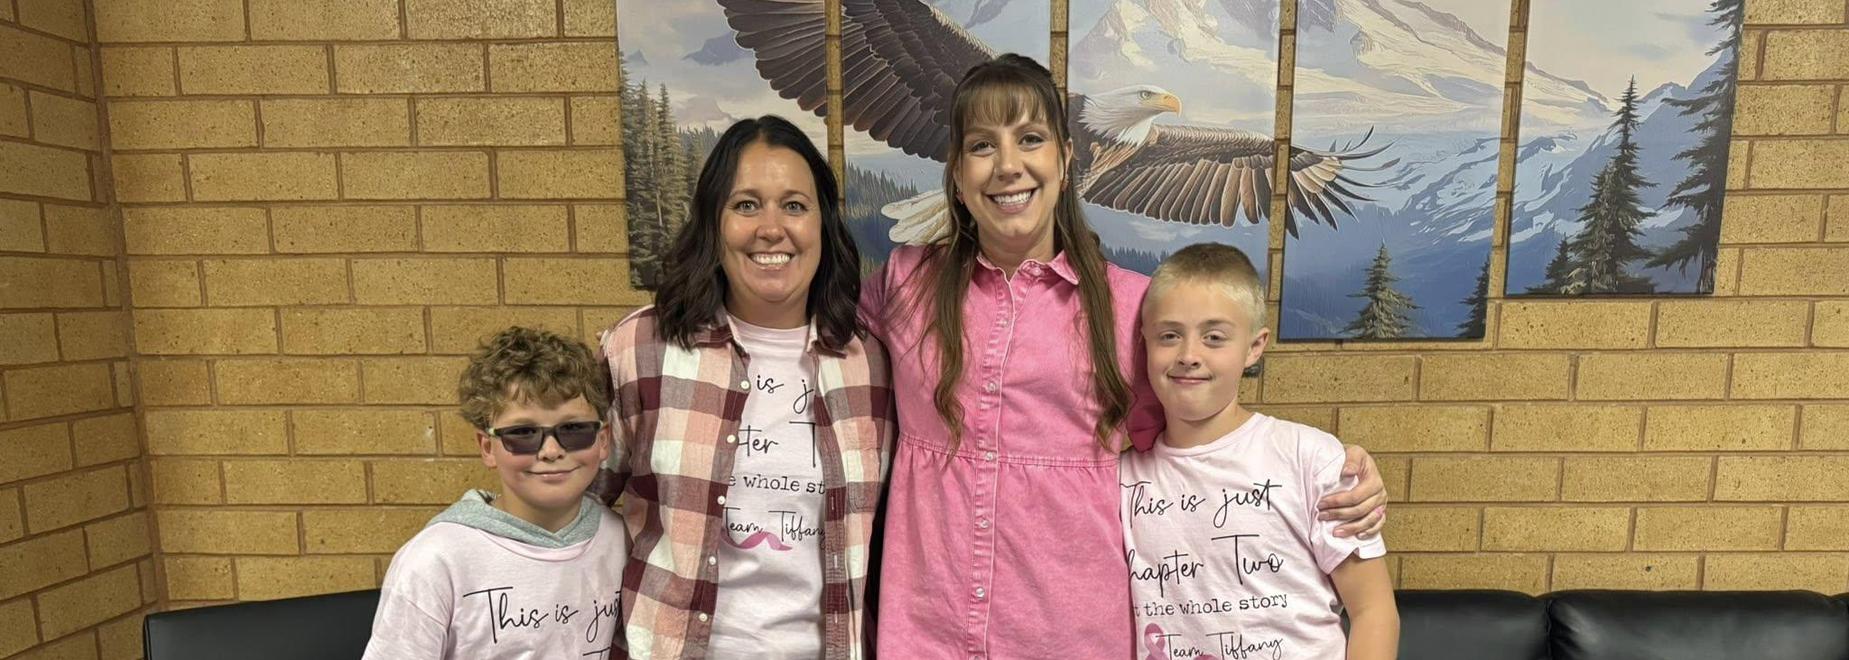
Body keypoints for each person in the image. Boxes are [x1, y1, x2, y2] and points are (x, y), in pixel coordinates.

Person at [859, 54, 1388, 658]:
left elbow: (1204, 441)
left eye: (1030, 139)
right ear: (956, 171)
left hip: (1072, 634)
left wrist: (1334, 474)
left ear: (1064, 157)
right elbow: (816, 364)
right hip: (927, 634)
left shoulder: (1134, 309)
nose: (1008, 165)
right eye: (982, 145)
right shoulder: (902, 285)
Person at [593, 115, 893, 659]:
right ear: (714, 221)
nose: (771, 228)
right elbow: (577, 502)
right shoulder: (641, 348)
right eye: (746, 204)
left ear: (823, 225)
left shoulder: (868, 363)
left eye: (795, 206)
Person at [1122, 243, 1398, 660]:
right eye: (1169, 335)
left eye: (1214, 337)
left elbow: (1374, 611)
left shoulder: (1311, 458)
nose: (1189, 355)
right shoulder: (1118, 479)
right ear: (1145, 343)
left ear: (1253, 347)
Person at [363, 326, 628, 659]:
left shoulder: (621, 540)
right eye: (523, 433)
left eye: (573, 429)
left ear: (603, 440)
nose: (550, 451)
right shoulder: (436, 561)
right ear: (488, 447)